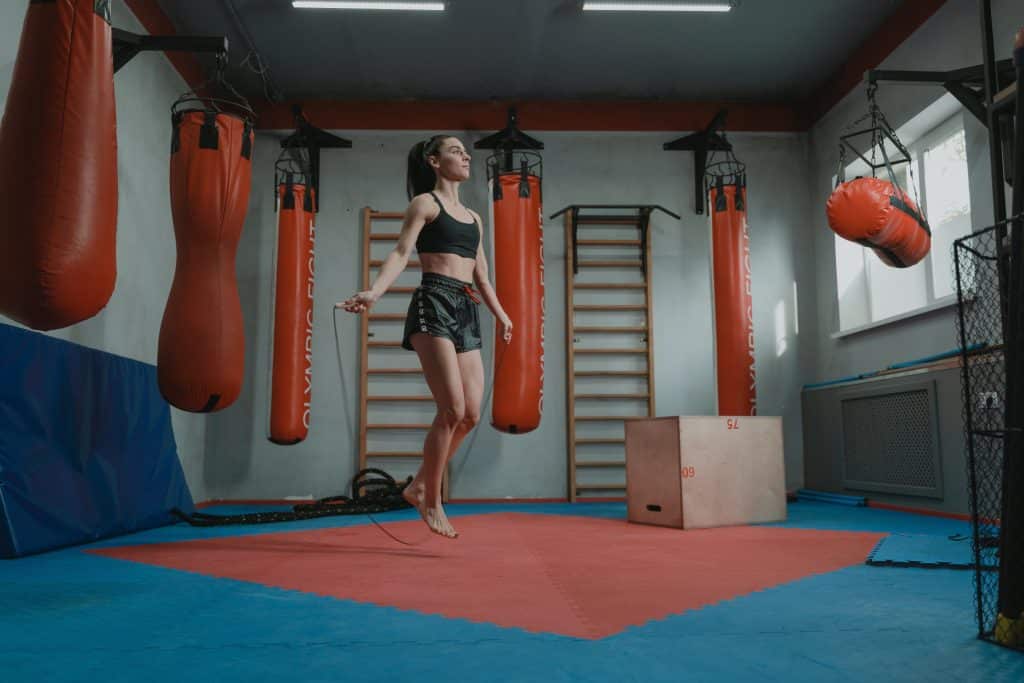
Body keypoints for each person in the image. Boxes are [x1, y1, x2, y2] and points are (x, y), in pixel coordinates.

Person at [340, 135, 513, 539]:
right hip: (432, 301)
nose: (465, 155)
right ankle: (432, 499)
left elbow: (482, 276)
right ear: (434, 161)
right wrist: (375, 292)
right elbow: (401, 252)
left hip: (466, 307)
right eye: (455, 150)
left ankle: (418, 484)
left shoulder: (474, 218)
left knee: (470, 415)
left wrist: (503, 316)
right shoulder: (425, 203)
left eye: (465, 151)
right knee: (451, 409)